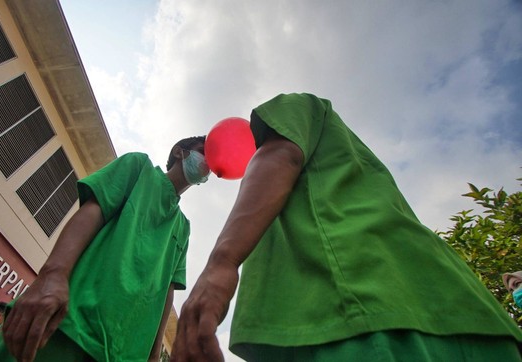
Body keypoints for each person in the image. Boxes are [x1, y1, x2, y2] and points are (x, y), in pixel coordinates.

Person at [171, 93, 522, 361]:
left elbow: (282, 154)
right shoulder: (347, 167)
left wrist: (221, 264)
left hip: (366, 314)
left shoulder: (296, 107)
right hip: (457, 316)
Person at [0, 136, 209, 362]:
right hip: (66, 324)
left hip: (123, 354)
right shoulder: (139, 167)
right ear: (179, 152)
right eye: (203, 151)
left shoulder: (183, 227)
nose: (208, 160)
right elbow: (92, 211)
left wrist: (153, 354)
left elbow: (166, 290)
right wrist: (53, 274)